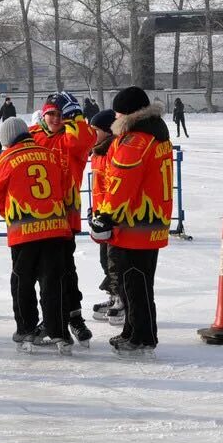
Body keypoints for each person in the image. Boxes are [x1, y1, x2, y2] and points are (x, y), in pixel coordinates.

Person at [88, 86, 172, 356]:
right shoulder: (156, 133)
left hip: (135, 223)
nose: (114, 117)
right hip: (152, 219)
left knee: (134, 284)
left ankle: (142, 336)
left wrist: (105, 216)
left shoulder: (135, 140)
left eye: (117, 112)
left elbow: (122, 182)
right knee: (137, 283)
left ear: (126, 113)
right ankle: (133, 330)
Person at [0, 117, 73, 353]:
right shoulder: (50, 154)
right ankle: (58, 331)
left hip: (24, 231)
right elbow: (64, 186)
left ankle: (26, 328)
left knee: (22, 281)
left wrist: (13, 217)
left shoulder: (6, 158)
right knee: (53, 282)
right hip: (55, 228)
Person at [29, 91, 95, 345]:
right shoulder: (33, 135)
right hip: (37, 216)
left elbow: (84, 142)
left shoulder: (73, 136)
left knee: (66, 268)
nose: (56, 119)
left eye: (61, 115)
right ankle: (52, 317)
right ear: (44, 114)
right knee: (44, 272)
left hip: (65, 215)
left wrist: (76, 117)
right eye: (52, 114)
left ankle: (74, 317)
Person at [88, 109, 120, 322]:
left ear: (108, 132)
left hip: (112, 215)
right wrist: (93, 210)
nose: (92, 134)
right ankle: (113, 294)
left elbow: (115, 186)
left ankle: (121, 297)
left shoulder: (113, 151)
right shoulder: (97, 153)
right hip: (100, 213)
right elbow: (98, 186)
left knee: (115, 259)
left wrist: (109, 212)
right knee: (104, 259)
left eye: (96, 130)